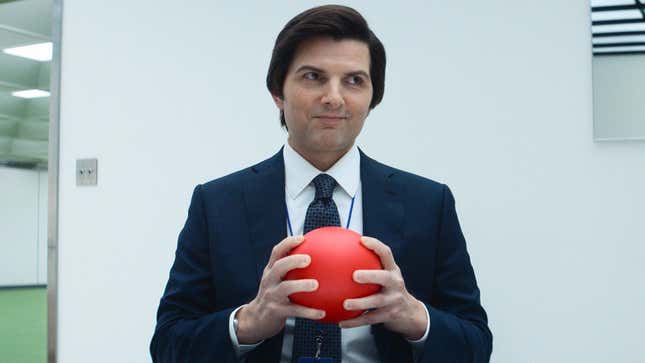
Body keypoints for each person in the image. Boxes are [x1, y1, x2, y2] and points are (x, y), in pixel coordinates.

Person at [150, 5, 492, 363]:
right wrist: (247, 323)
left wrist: (414, 317)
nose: (334, 97)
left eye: (354, 80)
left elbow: (476, 346)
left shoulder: (429, 203)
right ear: (277, 92)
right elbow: (168, 346)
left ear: (373, 98)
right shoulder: (217, 204)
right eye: (313, 76)